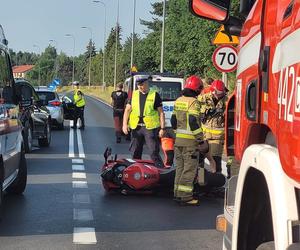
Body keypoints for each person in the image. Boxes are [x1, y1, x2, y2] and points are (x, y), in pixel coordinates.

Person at [171, 75, 210, 206]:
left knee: (180, 169)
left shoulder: (178, 100)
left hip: (178, 142)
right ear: (197, 89)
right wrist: (200, 140)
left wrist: (178, 133)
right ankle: (186, 196)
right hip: (190, 143)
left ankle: (177, 193)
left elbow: (173, 121)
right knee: (189, 170)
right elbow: (193, 121)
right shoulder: (194, 102)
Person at [122, 76, 165, 168]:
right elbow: (127, 110)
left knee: (153, 152)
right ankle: (135, 171)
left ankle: (160, 170)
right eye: (138, 85)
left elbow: (161, 113)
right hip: (136, 127)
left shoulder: (154, 95)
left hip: (150, 128)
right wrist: (124, 125)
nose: (140, 87)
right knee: (135, 152)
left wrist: (162, 128)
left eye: (142, 85)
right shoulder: (134, 95)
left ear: (147, 83)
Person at [199, 80, 228, 173]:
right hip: (203, 135)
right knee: (199, 160)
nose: (217, 95)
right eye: (215, 92)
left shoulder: (226, 101)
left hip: (217, 137)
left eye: (220, 93)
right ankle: (200, 180)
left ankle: (216, 182)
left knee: (216, 160)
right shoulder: (203, 99)